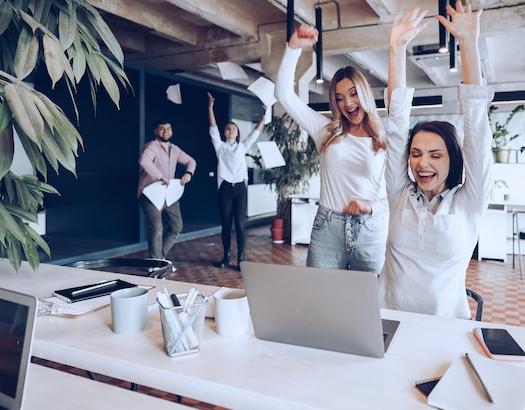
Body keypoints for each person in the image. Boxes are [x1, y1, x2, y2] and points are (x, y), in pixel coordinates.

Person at [380, 2, 494, 319]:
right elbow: (397, 122)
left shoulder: (470, 202)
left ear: (451, 159)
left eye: (435, 155)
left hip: (446, 328)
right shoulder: (398, 192)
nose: (422, 163)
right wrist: (396, 48)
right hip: (386, 320)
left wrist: (468, 43)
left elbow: (477, 129)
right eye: (415, 154)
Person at [275, 24, 388, 275]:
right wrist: (293, 50)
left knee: (368, 304)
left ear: (364, 94)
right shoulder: (325, 131)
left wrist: (372, 206)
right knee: (320, 300)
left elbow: (396, 194)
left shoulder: (384, 140)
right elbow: (283, 95)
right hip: (328, 228)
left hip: (370, 230)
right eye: (339, 97)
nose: (347, 103)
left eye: (353, 93)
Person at [207, 92, 266, 268]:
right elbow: (213, 129)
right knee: (226, 225)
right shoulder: (220, 146)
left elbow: (255, 133)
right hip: (225, 188)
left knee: (240, 224)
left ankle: (241, 258)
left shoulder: (242, 146)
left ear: (237, 133)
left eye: (233, 128)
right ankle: (226, 257)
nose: (230, 129)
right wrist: (210, 108)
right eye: (228, 128)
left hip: (240, 188)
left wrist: (264, 116)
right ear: (225, 132)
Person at [137, 120, 197, 262]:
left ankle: (159, 259)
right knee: (157, 229)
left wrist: (188, 174)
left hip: (169, 194)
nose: (165, 131)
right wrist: (161, 176)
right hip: (150, 194)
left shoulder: (174, 149)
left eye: (168, 128)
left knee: (176, 227)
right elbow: (144, 161)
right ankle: (156, 264)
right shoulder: (152, 146)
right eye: (162, 129)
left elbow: (191, 161)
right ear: (156, 131)